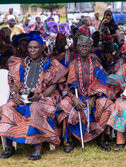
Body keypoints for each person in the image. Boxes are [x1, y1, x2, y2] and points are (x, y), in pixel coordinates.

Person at [0, 32, 68, 160]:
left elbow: (53, 86)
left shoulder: (51, 64)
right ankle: (9, 147)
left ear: (42, 48)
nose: (32, 50)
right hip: (23, 96)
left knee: (35, 108)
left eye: (35, 47)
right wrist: (14, 94)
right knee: (7, 107)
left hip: (44, 97)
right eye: (30, 47)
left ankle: (37, 147)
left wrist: (40, 95)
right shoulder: (20, 63)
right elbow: (15, 83)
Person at [58, 34, 113, 152]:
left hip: (94, 96)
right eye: (81, 46)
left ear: (91, 48)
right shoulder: (72, 64)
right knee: (64, 105)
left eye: (86, 46)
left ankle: (101, 137)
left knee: (107, 104)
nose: (84, 48)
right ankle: (70, 140)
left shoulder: (96, 64)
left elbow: (103, 83)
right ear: (77, 48)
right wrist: (73, 98)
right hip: (76, 96)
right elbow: (66, 86)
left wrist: (93, 98)